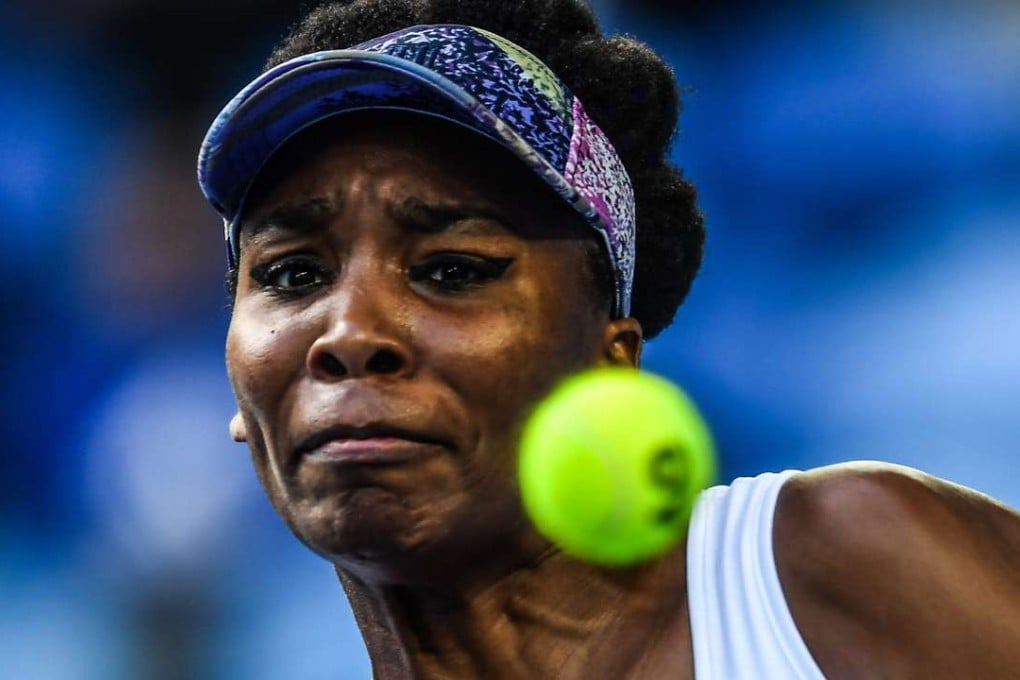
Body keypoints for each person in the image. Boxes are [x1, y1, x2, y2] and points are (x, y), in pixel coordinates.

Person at [196, 0, 1020, 676]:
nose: (348, 334)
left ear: (610, 358)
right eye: (293, 275)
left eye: (453, 269)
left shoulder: (843, 568)